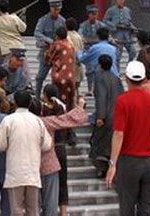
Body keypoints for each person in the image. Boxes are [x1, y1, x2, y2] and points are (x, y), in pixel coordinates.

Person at [106, 61, 150, 215]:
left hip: (129, 161)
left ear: (126, 78)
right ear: (144, 78)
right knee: (148, 209)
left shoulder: (123, 101)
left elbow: (118, 133)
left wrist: (112, 164)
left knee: (127, 206)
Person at [0, 91, 53, 216]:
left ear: (15, 102)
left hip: (15, 172)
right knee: (33, 211)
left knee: (16, 210)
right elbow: (47, 145)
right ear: (30, 103)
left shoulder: (9, 120)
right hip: (32, 172)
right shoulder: (37, 121)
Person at [35, 86, 89, 216]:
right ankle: (63, 212)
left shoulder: (42, 111)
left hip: (47, 152)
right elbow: (69, 123)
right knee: (62, 182)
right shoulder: (62, 107)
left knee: (44, 184)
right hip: (60, 147)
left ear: (45, 95)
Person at [89, 54, 124, 178]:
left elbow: (101, 97)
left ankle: (102, 169)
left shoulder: (99, 77)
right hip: (117, 115)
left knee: (99, 143)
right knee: (110, 143)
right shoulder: (116, 79)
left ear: (100, 65)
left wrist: (100, 116)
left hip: (106, 116)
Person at [34, 0, 66, 97]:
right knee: (40, 77)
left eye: (58, 9)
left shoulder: (62, 21)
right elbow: (37, 33)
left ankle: (57, 96)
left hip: (58, 54)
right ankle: (37, 96)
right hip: (46, 52)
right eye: (54, 9)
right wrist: (48, 40)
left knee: (58, 78)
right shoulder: (43, 20)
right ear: (51, 8)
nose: (56, 12)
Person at [78, 27, 119, 96]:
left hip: (99, 76)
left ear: (97, 36)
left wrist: (79, 51)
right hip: (113, 76)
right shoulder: (113, 48)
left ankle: (90, 89)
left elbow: (83, 58)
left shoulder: (95, 48)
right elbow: (117, 58)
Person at [45, 27, 76, 112]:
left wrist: (47, 55)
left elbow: (48, 57)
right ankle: (69, 114)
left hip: (59, 74)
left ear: (57, 36)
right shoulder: (70, 45)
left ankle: (59, 113)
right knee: (69, 98)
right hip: (70, 75)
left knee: (58, 98)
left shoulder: (57, 44)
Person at [103, 0, 136, 66]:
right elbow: (105, 21)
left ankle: (129, 65)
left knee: (133, 52)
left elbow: (129, 22)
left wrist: (133, 28)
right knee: (117, 54)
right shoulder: (111, 10)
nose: (120, 1)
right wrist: (113, 25)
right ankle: (116, 70)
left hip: (127, 34)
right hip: (117, 34)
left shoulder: (127, 10)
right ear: (116, 0)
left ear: (124, 0)